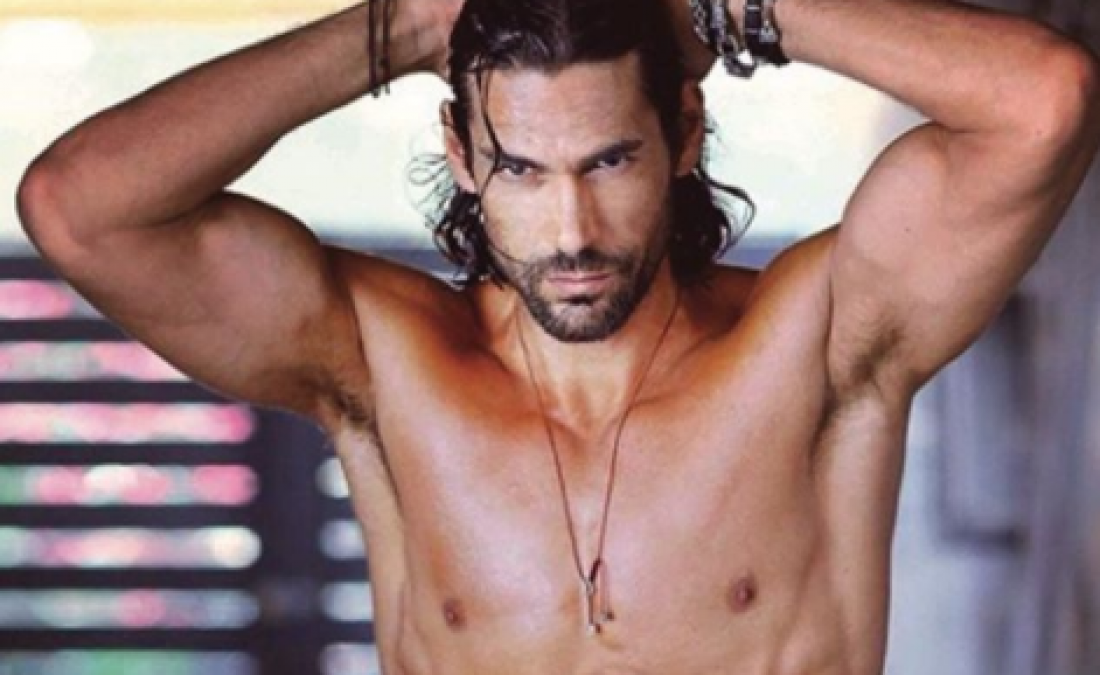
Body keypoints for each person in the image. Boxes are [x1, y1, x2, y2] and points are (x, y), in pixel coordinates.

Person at [14, 0, 1099, 672]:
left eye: (608, 160)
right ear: (462, 154)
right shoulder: (383, 364)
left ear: (683, 132)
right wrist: (398, 30)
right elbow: (80, 207)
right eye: (523, 170)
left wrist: (734, 11)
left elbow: (1044, 103)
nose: (572, 230)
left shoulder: (814, 344)